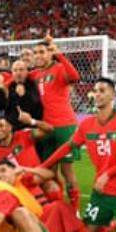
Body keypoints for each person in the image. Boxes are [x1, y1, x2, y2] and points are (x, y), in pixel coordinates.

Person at [42, 78, 116, 232]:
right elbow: (68, 147)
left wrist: (108, 174)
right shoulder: (87, 124)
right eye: (95, 91)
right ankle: (112, 223)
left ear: (113, 95)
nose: (98, 94)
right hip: (101, 193)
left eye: (103, 90)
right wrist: (44, 165)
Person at [29, 32, 81, 209]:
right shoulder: (34, 74)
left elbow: (74, 77)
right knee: (49, 172)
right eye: (35, 53)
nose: (38, 56)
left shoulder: (58, 68)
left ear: (49, 53)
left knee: (67, 171)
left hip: (64, 126)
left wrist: (58, 53)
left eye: (42, 52)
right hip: (46, 128)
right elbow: (14, 78)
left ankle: (75, 211)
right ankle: (57, 207)